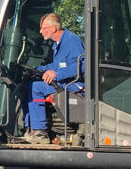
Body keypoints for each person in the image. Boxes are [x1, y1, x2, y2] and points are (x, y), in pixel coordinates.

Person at [24, 13, 85, 141]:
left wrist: (56, 74)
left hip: (75, 84)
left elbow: (80, 66)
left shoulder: (72, 40)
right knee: (27, 84)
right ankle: (29, 128)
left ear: (53, 28)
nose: (40, 31)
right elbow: (57, 65)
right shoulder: (57, 44)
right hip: (64, 82)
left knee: (35, 88)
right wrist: (38, 70)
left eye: (43, 28)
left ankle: (40, 133)